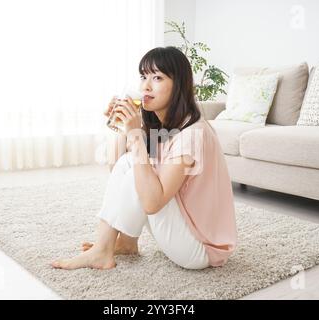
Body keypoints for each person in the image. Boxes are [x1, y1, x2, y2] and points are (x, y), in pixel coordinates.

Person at [51, 46, 237, 270]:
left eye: (157, 77)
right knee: (131, 164)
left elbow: (151, 203)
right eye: (143, 76)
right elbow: (117, 168)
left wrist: (135, 135)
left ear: (178, 85)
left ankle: (101, 251)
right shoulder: (167, 126)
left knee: (137, 170)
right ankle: (124, 243)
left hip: (201, 249)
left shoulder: (191, 135)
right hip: (185, 229)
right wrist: (122, 125)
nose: (146, 86)